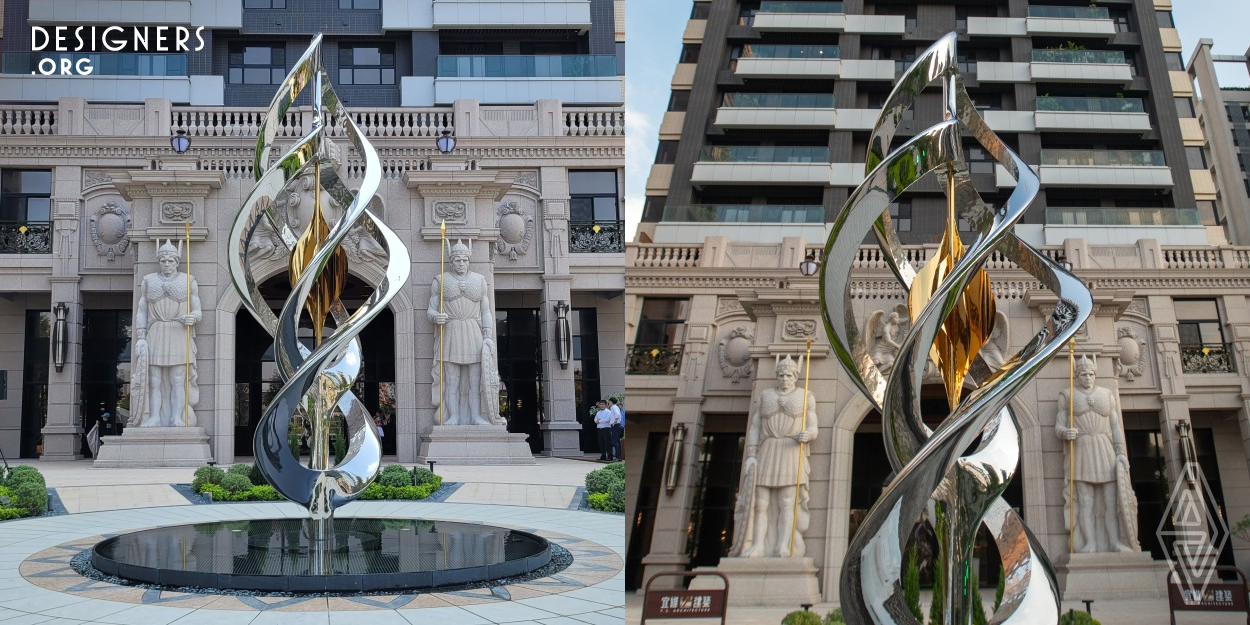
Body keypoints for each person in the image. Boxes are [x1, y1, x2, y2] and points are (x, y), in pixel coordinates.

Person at [732, 355, 820, 558]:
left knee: (787, 502)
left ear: (796, 376)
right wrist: (752, 452)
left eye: (789, 375)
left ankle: (783, 546)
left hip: (791, 449)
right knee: (760, 502)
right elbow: (755, 425)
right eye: (781, 375)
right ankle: (757, 546)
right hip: (769, 448)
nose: (784, 378)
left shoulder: (805, 395)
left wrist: (809, 434)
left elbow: (812, 425)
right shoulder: (765, 395)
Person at [1055, 355, 1137, 553]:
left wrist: (1120, 452)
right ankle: (1090, 542)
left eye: (1091, 374)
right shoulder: (1067, 396)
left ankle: (1115, 541)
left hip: (1104, 448)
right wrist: (1066, 432)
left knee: (1111, 501)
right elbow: (1059, 425)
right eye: (1083, 374)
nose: (1088, 377)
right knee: (1085, 502)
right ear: (1076, 376)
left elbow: (1115, 426)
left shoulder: (1107, 394)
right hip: (1082, 450)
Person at [133, 239, 202, 427]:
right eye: (163, 261)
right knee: (154, 380)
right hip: (155, 331)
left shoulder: (188, 280)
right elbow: (142, 310)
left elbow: (197, 309)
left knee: (178, 379)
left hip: (179, 332)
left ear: (177, 262)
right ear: (159, 261)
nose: (167, 264)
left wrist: (193, 317)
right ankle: (155, 416)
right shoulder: (148, 280)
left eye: (171, 261)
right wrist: (140, 337)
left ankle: (176, 417)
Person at [428, 240, 496, 426]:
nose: (461, 263)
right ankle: (454, 416)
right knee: (452, 381)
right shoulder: (440, 280)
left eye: (464, 260)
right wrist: (436, 317)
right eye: (457, 260)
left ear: (469, 261)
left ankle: (475, 416)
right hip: (451, 332)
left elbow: (486, 311)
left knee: (475, 381)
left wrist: (488, 335)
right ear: (451, 261)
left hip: (473, 332)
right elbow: (431, 309)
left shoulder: (480, 280)